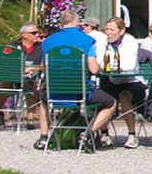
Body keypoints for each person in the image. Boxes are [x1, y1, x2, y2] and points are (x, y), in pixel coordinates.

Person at [32, 9, 115, 152]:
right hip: (79, 92)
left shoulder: (48, 41)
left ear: (61, 23)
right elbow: (94, 69)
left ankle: (43, 137)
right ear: (76, 22)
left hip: (54, 92)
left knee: (44, 101)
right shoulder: (86, 40)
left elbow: (45, 66)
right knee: (110, 103)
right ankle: (87, 134)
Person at [99, 17, 146, 149]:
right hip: (113, 81)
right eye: (106, 29)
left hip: (133, 81)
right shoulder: (104, 42)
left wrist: (108, 66)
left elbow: (128, 65)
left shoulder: (130, 42)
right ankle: (104, 134)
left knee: (125, 95)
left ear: (121, 31)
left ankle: (132, 135)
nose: (108, 32)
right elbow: (99, 62)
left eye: (111, 30)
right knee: (101, 96)